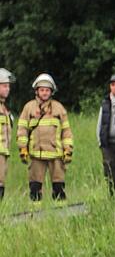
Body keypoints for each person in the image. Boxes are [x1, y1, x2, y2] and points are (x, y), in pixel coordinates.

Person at [16, 73, 73, 201]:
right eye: (42, 90)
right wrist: (23, 149)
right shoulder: (29, 108)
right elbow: (22, 129)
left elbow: (66, 131)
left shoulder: (58, 108)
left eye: (47, 90)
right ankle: (34, 216)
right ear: (37, 91)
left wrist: (68, 149)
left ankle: (61, 214)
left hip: (56, 155)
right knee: (35, 188)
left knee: (59, 188)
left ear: (51, 92)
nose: (45, 93)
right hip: (36, 155)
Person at [0, 68, 13, 201]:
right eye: (4, 86)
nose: (7, 89)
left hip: (3, 152)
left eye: (8, 86)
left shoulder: (3, 108)